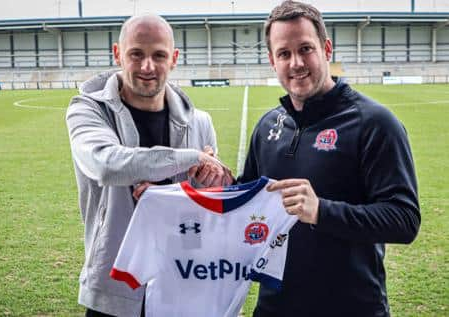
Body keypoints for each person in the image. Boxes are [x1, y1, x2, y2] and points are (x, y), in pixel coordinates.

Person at [238, 1, 421, 316]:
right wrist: (213, 186)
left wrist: (321, 211)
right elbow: (248, 199)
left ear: (326, 48)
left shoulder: (374, 122)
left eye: (305, 49)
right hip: (274, 306)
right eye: (284, 53)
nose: (296, 63)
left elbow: (404, 220)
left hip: (352, 307)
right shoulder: (268, 126)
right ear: (272, 60)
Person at [66, 14, 232, 317]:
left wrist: (214, 181)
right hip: (115, 286)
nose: (147, 67)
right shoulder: (87, 110)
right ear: (118, 53)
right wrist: (191, 157)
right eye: (136, 54)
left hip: (181, 282)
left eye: (159, 55)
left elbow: (209, 211)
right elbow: (107, 165)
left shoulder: (200, 123)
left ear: (174, 59)